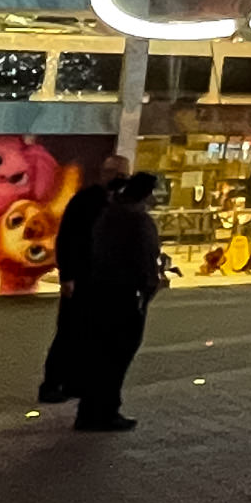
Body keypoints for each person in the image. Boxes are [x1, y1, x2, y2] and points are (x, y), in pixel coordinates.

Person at [71, 171, 169, 430]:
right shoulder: (137, 219)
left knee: (100, 353)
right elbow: (146, 258)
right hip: (125, 294)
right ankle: (104, 411)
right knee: (117, 354)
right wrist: (152, 285)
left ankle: (90, 410)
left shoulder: (109, 214)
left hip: (101, 290)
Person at [36, 152, 128, 403]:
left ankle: (75, 381)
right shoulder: (86, 201)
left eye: (124, 175)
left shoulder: (118, 203)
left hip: (104, 279)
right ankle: (52, 383)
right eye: (116, 174)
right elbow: (67, 238)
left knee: (92, 333)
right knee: (69, 331)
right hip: (81, 276)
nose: (120, 179)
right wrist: (67, 275)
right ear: (104, 174)